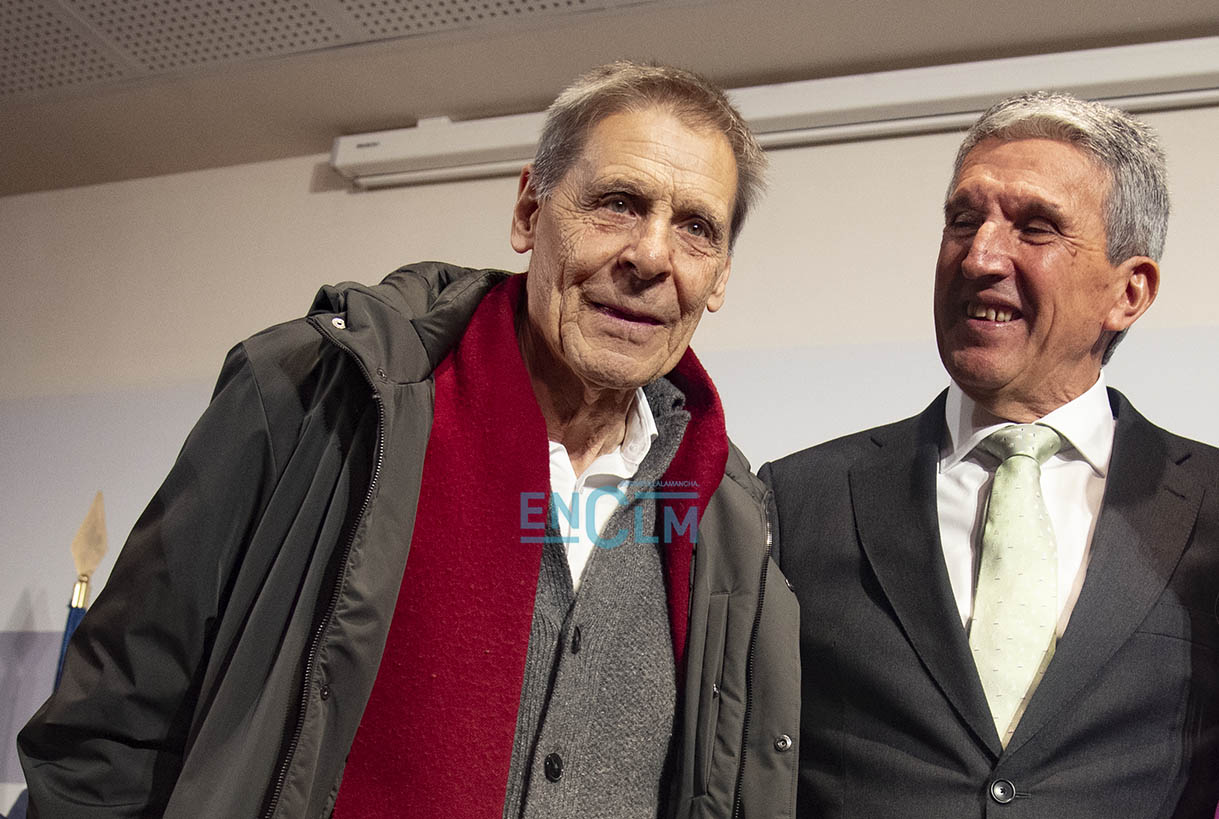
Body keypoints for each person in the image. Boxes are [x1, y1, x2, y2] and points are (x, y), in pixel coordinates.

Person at [18, 61, 800, 819]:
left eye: (695, 227)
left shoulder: (726, 519)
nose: (651, 257)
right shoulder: (310, 398)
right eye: (618, 204)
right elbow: (105, 734)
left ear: (721, 272)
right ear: (529, 211)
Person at [763, 91, 1218, 817]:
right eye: (961, 220)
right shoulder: (799, 496)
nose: (978, 255)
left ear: (1128, 292)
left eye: (1034, 228)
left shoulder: (1209, 505)